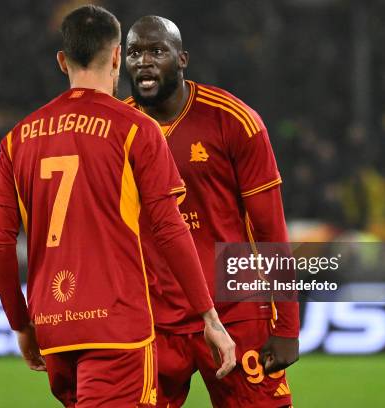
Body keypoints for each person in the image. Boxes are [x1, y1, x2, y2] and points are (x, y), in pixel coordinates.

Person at [0, 6, 235, 407]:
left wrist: (21, 324)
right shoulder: (136, 128)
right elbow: (170, 229)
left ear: (63, 60)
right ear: (118, 56)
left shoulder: (17, 139)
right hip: (117, 328)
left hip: (53, 326)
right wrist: (209, 316)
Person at [124, 16, 300, 408]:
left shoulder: (233, 120)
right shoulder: (118, 128)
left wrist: (287, 324)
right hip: (153, 319)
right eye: (134, 52)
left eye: (157, 51)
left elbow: (270, 227)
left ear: (182, 58)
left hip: (236, 309)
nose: (144, 62)